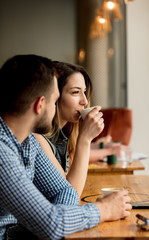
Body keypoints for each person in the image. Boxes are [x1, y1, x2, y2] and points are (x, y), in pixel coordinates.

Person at [0, 55, 132, 240]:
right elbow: (51, 224)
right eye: (54, 102)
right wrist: (104, 209)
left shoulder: (28, 141)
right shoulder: (2, 151)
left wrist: (65, 217)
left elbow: (65, 190)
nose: (85, 101)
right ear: (40, 105)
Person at [35, 62, 124, 195]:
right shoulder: (37, 138)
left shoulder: (63, 134)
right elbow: (70, 195)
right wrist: (85, 139)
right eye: (75, 92)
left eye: (85, 92)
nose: (85, 101)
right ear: (54, 96)